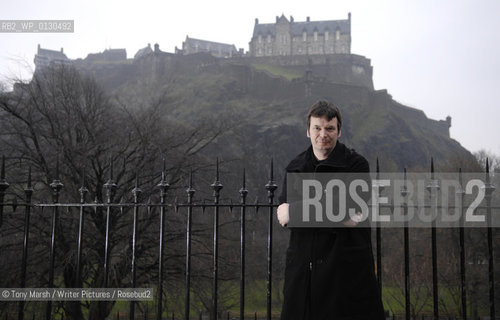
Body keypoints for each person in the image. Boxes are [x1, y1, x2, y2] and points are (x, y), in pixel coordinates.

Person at [277, 100, 385, 320]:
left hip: (345, 273)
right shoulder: (296, 166)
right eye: (317, 128)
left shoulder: (356, 165)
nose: (323, 134)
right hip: (303, 274)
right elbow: (283, 217)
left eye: (329, 128)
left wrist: (297, 213)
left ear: (339, 131)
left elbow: (351, 214)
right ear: (308, 132)